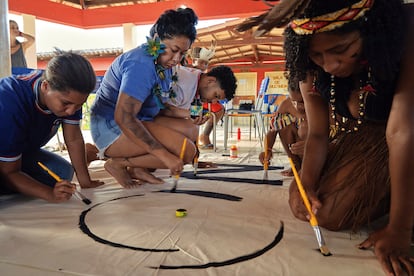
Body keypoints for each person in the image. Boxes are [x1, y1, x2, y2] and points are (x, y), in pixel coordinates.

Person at [239, 0, 414, 275]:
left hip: (406, 131)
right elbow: (318, 133)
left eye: (341, 50)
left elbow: (402, 131)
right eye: (318, 57)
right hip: (369, 136)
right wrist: (305, 185)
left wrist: (400, 229)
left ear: (372, 29)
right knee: (325, 211)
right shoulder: (307, 62)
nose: (329, 65)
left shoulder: (406, 29)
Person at [90, 8, 199, 188]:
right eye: (174, 50)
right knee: (185, 152)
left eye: (182, 53)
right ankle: (118, 163)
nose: (177, 59)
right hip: (112, 129)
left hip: (139, 120)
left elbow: (163, 106)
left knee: (191, 129)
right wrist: (163, 155)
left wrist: (190, 114)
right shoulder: (140, 64)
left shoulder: (164, 64)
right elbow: (124, 117)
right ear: (156, 39)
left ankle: (137, 167)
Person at [0, 52, 104, 202]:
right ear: (45, 86)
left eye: (79, 105)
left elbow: (73, 138)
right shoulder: (10, 102)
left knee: (62, 173)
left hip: (20, 153)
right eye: (66, 103)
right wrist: (49, 194)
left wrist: (85, 181)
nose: (71, 111)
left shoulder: (68, 91)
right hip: (5, 157)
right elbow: (9, 171)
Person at [259, 78, 307, 177]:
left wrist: (310, 145)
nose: (298, 106)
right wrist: (267, 150)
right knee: (282, 124)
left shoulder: (321, 104)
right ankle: (296, 165)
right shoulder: (286, 104)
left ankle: (309, 168)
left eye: (302, 101)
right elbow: (273, 130)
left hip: (317, 152)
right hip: (298, 151)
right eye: (294, 101)